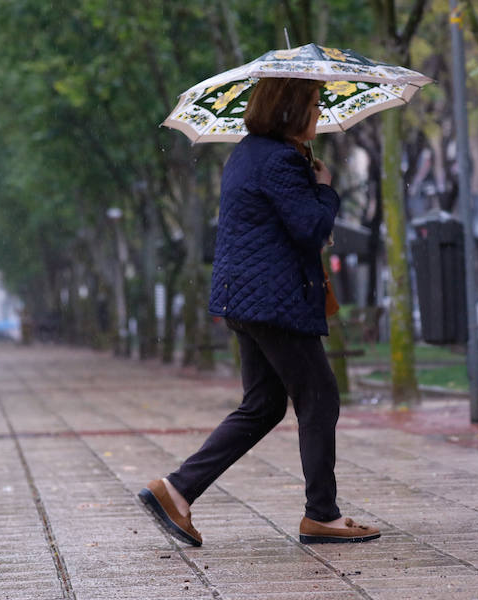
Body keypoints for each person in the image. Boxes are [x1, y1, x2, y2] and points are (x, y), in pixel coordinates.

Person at [138, 77, 380, 546]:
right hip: (274, 302)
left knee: (264, 404)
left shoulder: (249, 154)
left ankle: (177, 489)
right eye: (312, 104)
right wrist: (326, 189)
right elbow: (310, 229)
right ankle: (322, 515)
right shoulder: (280, 159)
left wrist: (309, 179)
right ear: (290, 110)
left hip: (247, 299)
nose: (318, 112)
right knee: (320, 397)